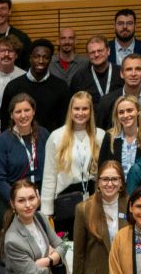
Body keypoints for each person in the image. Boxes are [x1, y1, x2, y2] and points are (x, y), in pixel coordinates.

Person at [41, 91, 106, 233]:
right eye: (76, 108)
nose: (80, 113)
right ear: (70, 111)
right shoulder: (56, 137)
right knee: (67, 243)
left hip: (94, 199)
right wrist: (47, 211)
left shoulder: (100, 135)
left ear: (91, 111)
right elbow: (49, 175)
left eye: (85, 109)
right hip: (66, 201)